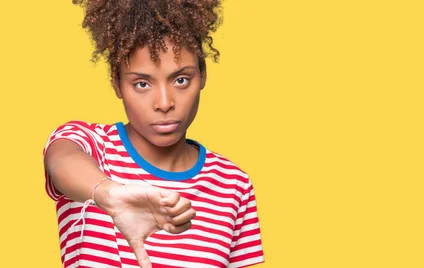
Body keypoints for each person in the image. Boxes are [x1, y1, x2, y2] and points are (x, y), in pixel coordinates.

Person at [42, 0, 264, 267]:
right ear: (117, 83)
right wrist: (108, 194)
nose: (164, 102)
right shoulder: (92, 146)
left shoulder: (233, 184)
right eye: (142, 83)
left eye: (181, 80)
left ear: (202, 76)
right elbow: (60, 160)